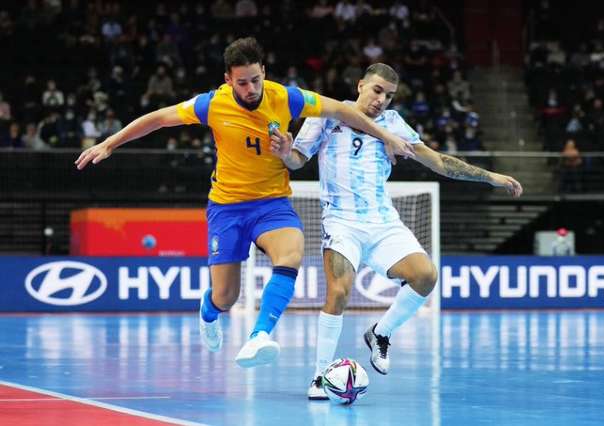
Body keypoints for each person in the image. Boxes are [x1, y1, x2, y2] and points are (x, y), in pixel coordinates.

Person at [75, 38, 415, 368]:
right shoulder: (212, 104)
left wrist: (386, 136)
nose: (251, 88)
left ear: (264, 72)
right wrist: (110, 142)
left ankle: (258, 336)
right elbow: (159, 118)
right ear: (228, 80)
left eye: (256, 79)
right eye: (242, 83)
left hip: (271, 203)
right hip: (228, 207)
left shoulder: (286, 98)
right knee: (225, 298)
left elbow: (341, 109)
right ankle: (208, 312)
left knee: (292, 252)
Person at [268, 63, 523, 399]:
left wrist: (490, 177)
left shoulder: (393, 124)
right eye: (376, 90)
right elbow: (299, 159)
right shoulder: (327, 115)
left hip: (383, 223)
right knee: (339, 292)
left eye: (388, 95)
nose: (381, 100)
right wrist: (287, 154)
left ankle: (381, 333)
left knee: (426, 275)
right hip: (342, 222)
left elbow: (440, 161)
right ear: (360, 85)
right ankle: (319, 377)